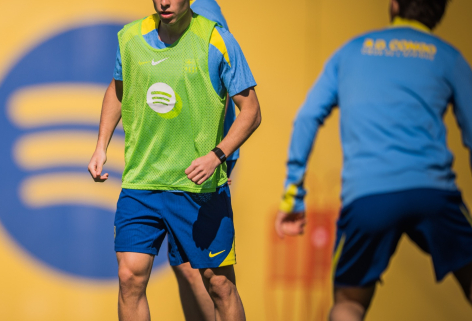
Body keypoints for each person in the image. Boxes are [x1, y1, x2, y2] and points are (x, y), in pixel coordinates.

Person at [274, 0, 472, 320]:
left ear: (394, 5)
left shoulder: (350, 52)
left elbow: (308, 117)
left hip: (368, 198)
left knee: (349, 302)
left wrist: (293, 195)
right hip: (433, 193)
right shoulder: (448, 56)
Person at [87, 0, 262, 319]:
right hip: (142, 185)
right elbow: (117, 88)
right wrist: (101, 146)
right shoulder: (130, 37)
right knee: (129, 277)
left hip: (199, 189)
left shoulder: (216, 37)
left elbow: (250, 111)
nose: (164, 1)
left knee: (219, 285)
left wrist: (220, 156)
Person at [168, 0, 240, 320]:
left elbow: (220, 80)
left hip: (203, 161)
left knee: (213, 277)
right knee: (185, 267)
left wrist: (220, 154)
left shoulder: (203, 10)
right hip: (175, 162)